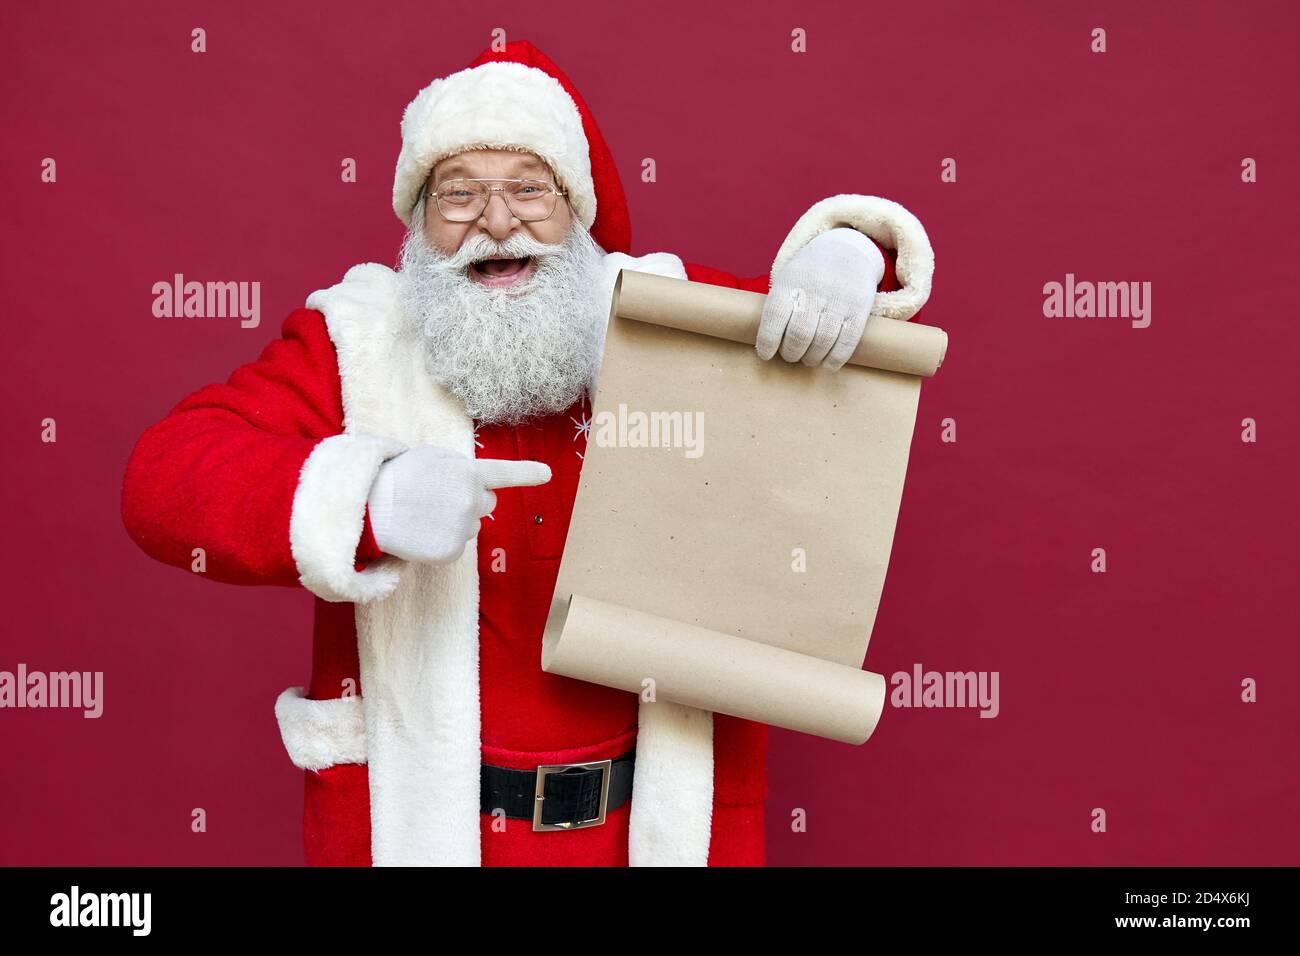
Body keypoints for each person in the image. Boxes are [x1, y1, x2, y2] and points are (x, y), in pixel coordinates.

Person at [121, 39, 934, 867]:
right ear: (417, 220)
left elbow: (833, 323)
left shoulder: (667, 314)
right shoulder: (353, 341)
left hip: (653, 822)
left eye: (528, 190)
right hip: (423, 825)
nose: (498, 222)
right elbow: (162, 481)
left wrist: (852, 256)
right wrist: (371, 498)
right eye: (459, 194)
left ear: (575, 210)